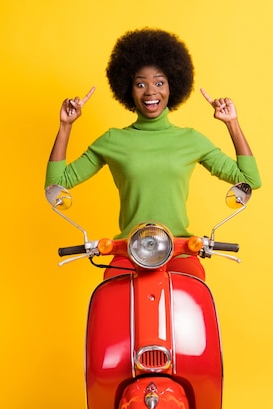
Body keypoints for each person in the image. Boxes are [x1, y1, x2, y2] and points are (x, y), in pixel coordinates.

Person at [45, 28, 261, 280]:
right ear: (128, 88)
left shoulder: (190, 139)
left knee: (193, 293)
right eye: (140, 84)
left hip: (180, 251)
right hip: (128, 252)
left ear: (173, 87)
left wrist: (232, 123)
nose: (150, 92)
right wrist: (65, 126)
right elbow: (56, 184)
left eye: (159, 82)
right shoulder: (113, 140)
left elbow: (249, 179)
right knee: (111, 299)